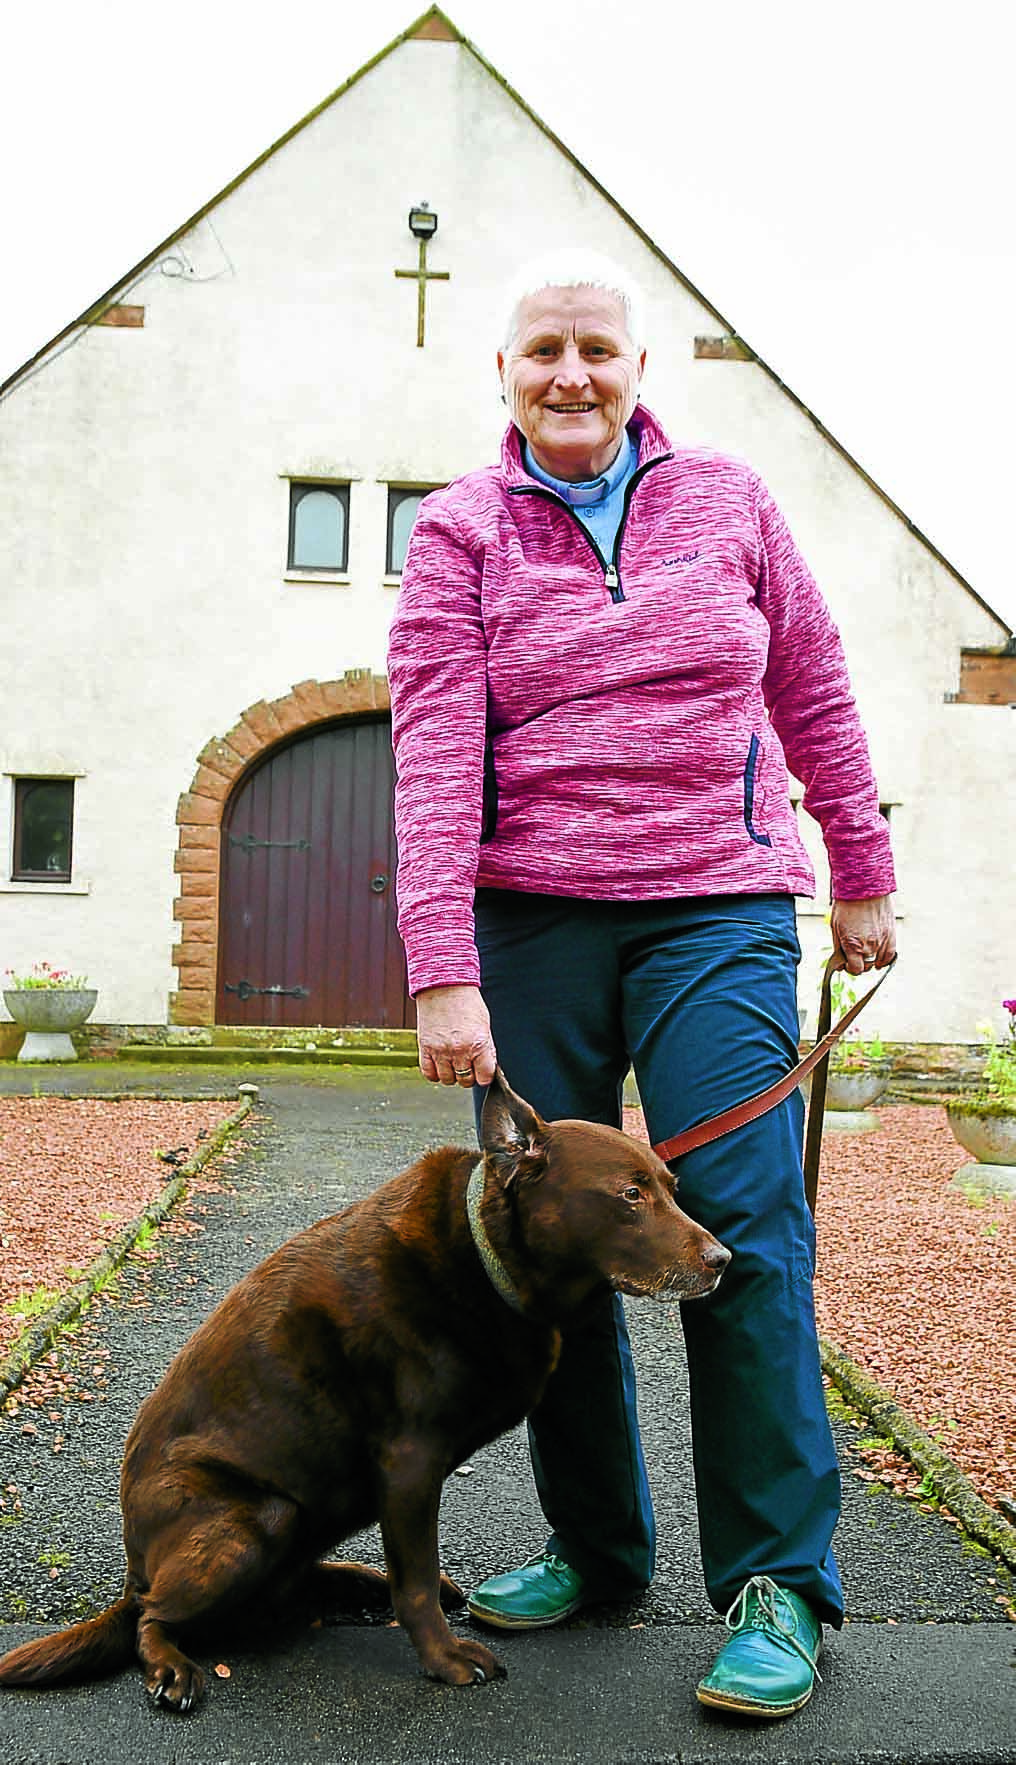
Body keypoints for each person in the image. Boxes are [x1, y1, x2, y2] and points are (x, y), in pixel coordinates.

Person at [386, 249, 896, 1720]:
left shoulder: (730, 502)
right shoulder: (459, 530)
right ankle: (598, 1549)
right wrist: (444, 969)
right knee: (548, 1246)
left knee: (738, 1223)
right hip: (530, 917)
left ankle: (777, 1584)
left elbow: (813, 682)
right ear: (502, 373)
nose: (571, 374)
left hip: (718, 909)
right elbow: (431, 743)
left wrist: (857, 868)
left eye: (597, 350)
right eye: (542, 349)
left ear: (637, 369)